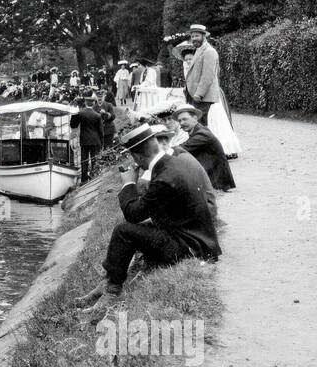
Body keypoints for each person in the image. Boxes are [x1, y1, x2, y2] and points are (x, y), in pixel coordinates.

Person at [74, 123, 221, 308]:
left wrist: (128, 184)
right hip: (199, 238)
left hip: (190, 247)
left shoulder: (163, 177)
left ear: (136, 156)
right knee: (136, 230)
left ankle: (111, 292)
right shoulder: (176, 162)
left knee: (123, 231)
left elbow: (133, 214)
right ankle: (106, 284)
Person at [175, 105, 235, 190]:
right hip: (211, 173)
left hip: (216, 181)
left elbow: (181, 149)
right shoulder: (198, 130)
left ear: (195, 118)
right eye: (179, 120)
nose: (181, 123)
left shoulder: (202, 134)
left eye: (185, 119)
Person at [182, 23, 222, 125]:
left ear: (204, 36)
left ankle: (204, 141)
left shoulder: (209, 52)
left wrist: (199, 94)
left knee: (198, 124)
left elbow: (207, 76)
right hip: (194, 95)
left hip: (202, 97)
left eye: (197, 36)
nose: (194, 39)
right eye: (192, 36)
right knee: (198, 124)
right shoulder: (198, 50)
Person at [70, 100, 103, 182]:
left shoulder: (80, 113)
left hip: (84, 140)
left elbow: (73, 125)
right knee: (94, 158)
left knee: (84, 160)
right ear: (93, 104)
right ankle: (94, 176)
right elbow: (101, 131)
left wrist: (74, 114)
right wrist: (101, 141)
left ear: (85, 104)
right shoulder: (97, 115)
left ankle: (84, 179)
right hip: (95, 140)